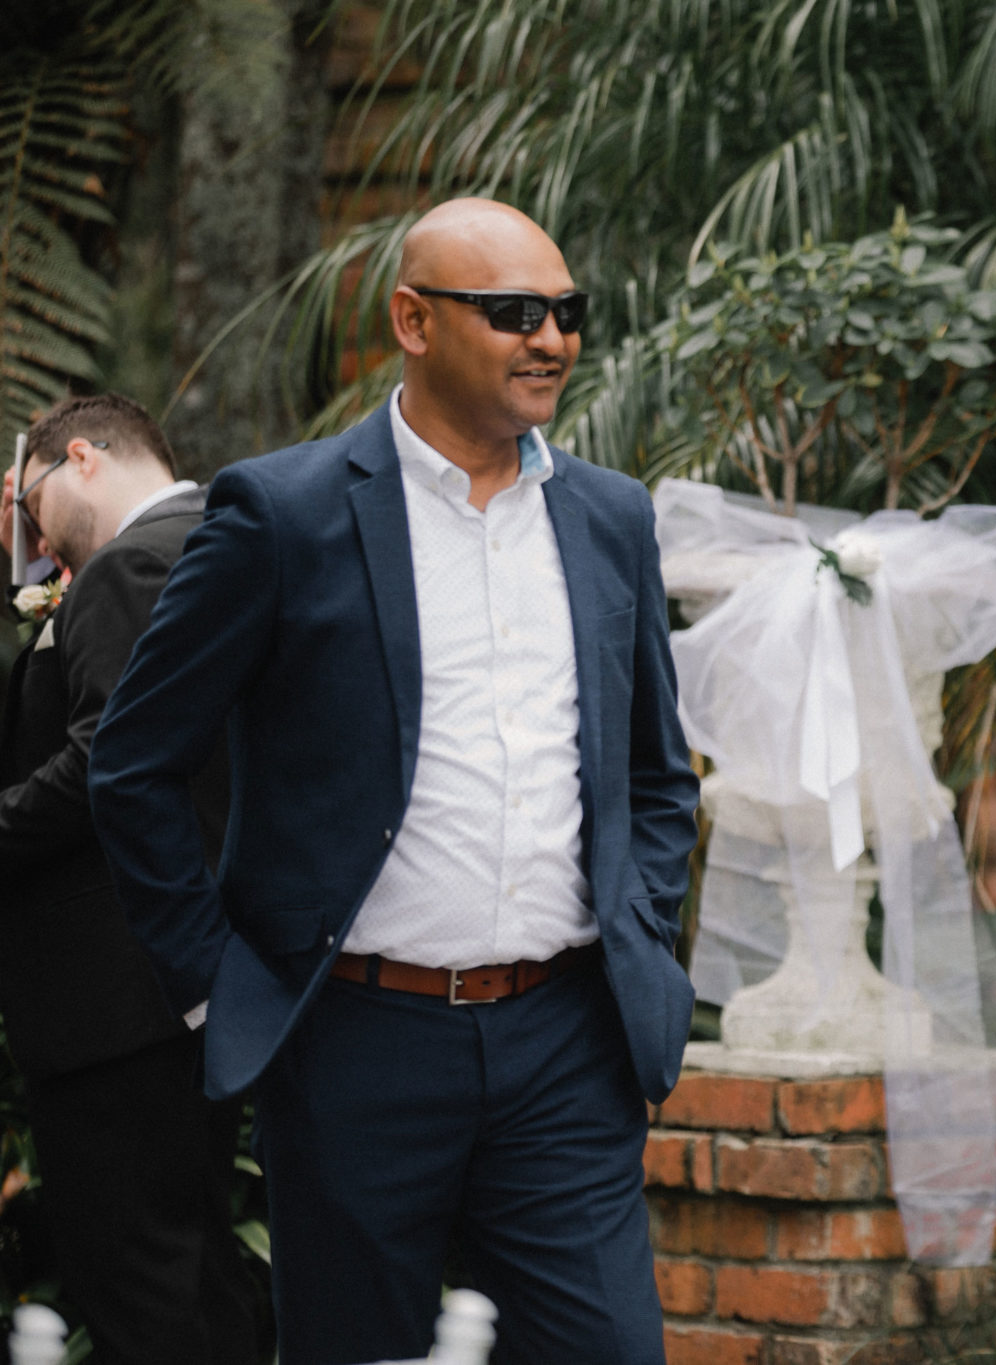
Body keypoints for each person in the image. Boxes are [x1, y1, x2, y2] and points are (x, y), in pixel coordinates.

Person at [88, 198, 699, 1365]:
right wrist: (219, 986)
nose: (552, 341)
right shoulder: (284, 513)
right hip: (355, 1044)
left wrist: (641, 927)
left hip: (566, 1043)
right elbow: (135, 762)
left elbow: (657, 774)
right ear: (413, 322)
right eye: (515, 312)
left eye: (568, 313)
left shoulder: (610, 519)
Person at [0, 394, 262, 1365]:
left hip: (109, 1000)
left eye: (30, 504)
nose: (29, 533)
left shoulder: (129, 566)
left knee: (136, 1285)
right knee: (192, 1272)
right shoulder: (218, 537)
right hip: (184, 990)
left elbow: (102, 761)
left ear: (81, 458)